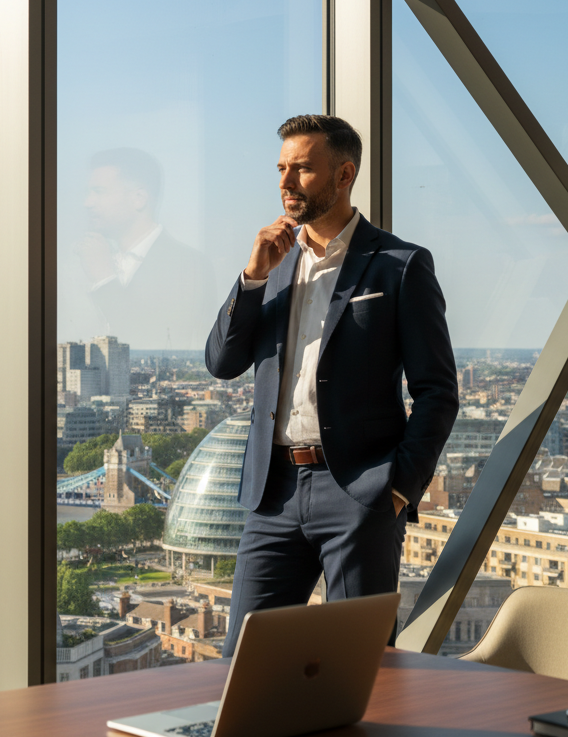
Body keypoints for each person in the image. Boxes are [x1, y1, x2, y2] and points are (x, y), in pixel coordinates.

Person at [205, 115, 458, 656]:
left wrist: (396, 488)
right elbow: (222, 362)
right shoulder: (272, 263)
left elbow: (437, 389)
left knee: (358, 665)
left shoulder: (399, 265)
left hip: (359, 493)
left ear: (344, 174)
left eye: (303, 169)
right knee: (242, 661)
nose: (286, 181)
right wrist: (251, 277)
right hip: (272, 494)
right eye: (281, 168)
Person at [75, 148, 212, 348]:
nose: (87, 203)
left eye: (99, 192)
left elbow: (155, 344)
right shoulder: (90, 258)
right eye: (88, 192)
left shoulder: (188, 265)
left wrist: (105, 281)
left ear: (139, 198)